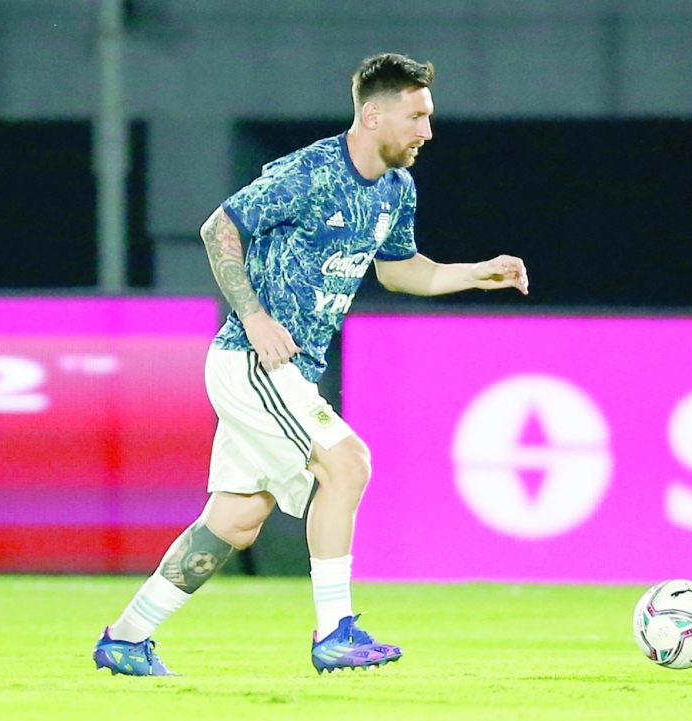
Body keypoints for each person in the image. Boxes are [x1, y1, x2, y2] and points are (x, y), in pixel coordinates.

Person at [92, 52, 529, 677]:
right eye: (417, 116)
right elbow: (219, 228)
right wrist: (253, 316)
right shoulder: (312, 172)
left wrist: (477, 273)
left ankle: (127, 638)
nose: (427, 130)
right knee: (348, 464)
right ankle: (335, 633)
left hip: (287, 373)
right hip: (252, 362)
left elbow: (404, 272)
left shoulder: (397, 189)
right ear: (373, 115)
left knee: (236, 522)